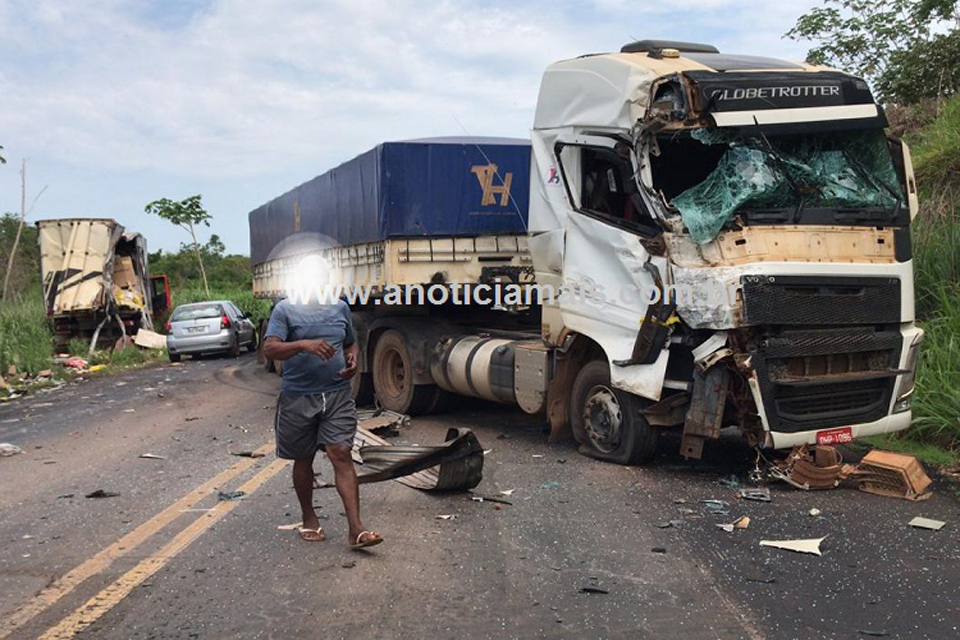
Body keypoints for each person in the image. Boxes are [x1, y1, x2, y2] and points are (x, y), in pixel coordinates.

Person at [262, 296, 383, 549]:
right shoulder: (285, 309)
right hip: (298, 396)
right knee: (304, 458)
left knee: (341, 452)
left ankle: (356, 529)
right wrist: (304, 345)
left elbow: (350, 345)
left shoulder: (339, 307)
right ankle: (309, 516)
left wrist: (352, 361)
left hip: (337, 393)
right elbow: (270, 349)